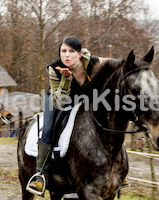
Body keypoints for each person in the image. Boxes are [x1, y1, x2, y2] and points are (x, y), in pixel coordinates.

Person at [28, 36, 111, 194]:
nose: (66, 55)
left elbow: (115, 64)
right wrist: (66, 79)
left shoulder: (94, 61)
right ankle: (40, 176)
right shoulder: (54, 68)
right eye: (63, 51)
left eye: (71, 51)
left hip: (83, 97)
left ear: (80, 54)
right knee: (47, 129)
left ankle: (117, 168)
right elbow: (60, 101)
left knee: (108, 120)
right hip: (57, 97)